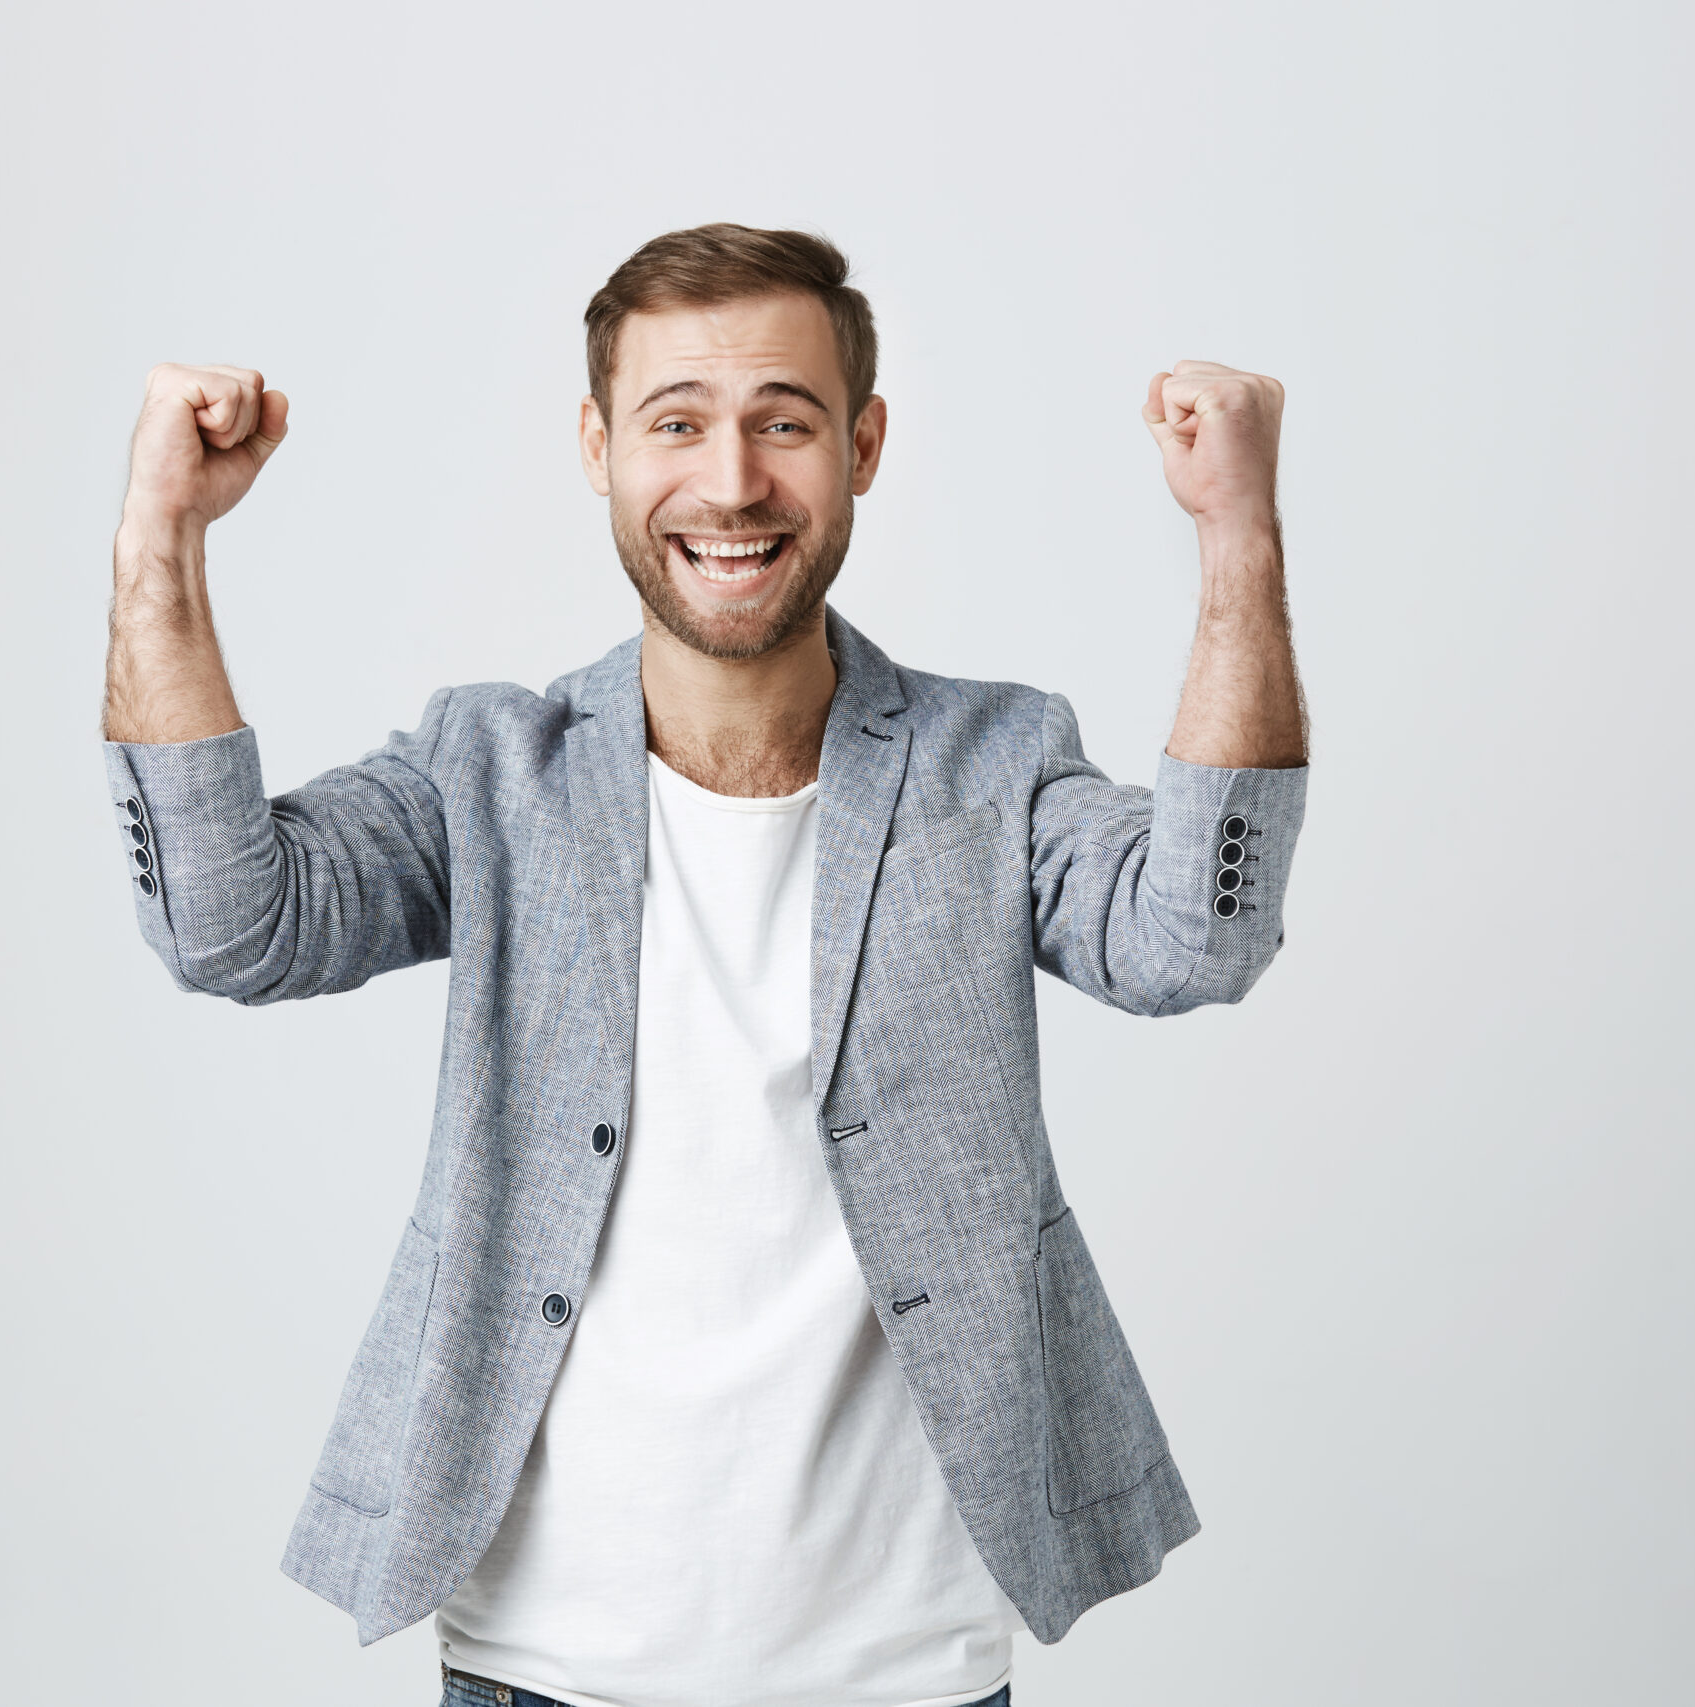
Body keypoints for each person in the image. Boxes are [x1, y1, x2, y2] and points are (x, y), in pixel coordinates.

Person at [100, 224, 1308, 1707]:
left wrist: (1237, 530)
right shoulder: (490, 773)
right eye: (676, 422)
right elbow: (231, 923)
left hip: (908, 1676)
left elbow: (1199, 934)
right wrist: (162, 533)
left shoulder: (995, 767)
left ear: (863, 446)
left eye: (783, 422)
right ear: (600, 449)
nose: (731, 483)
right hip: (537, 1674)